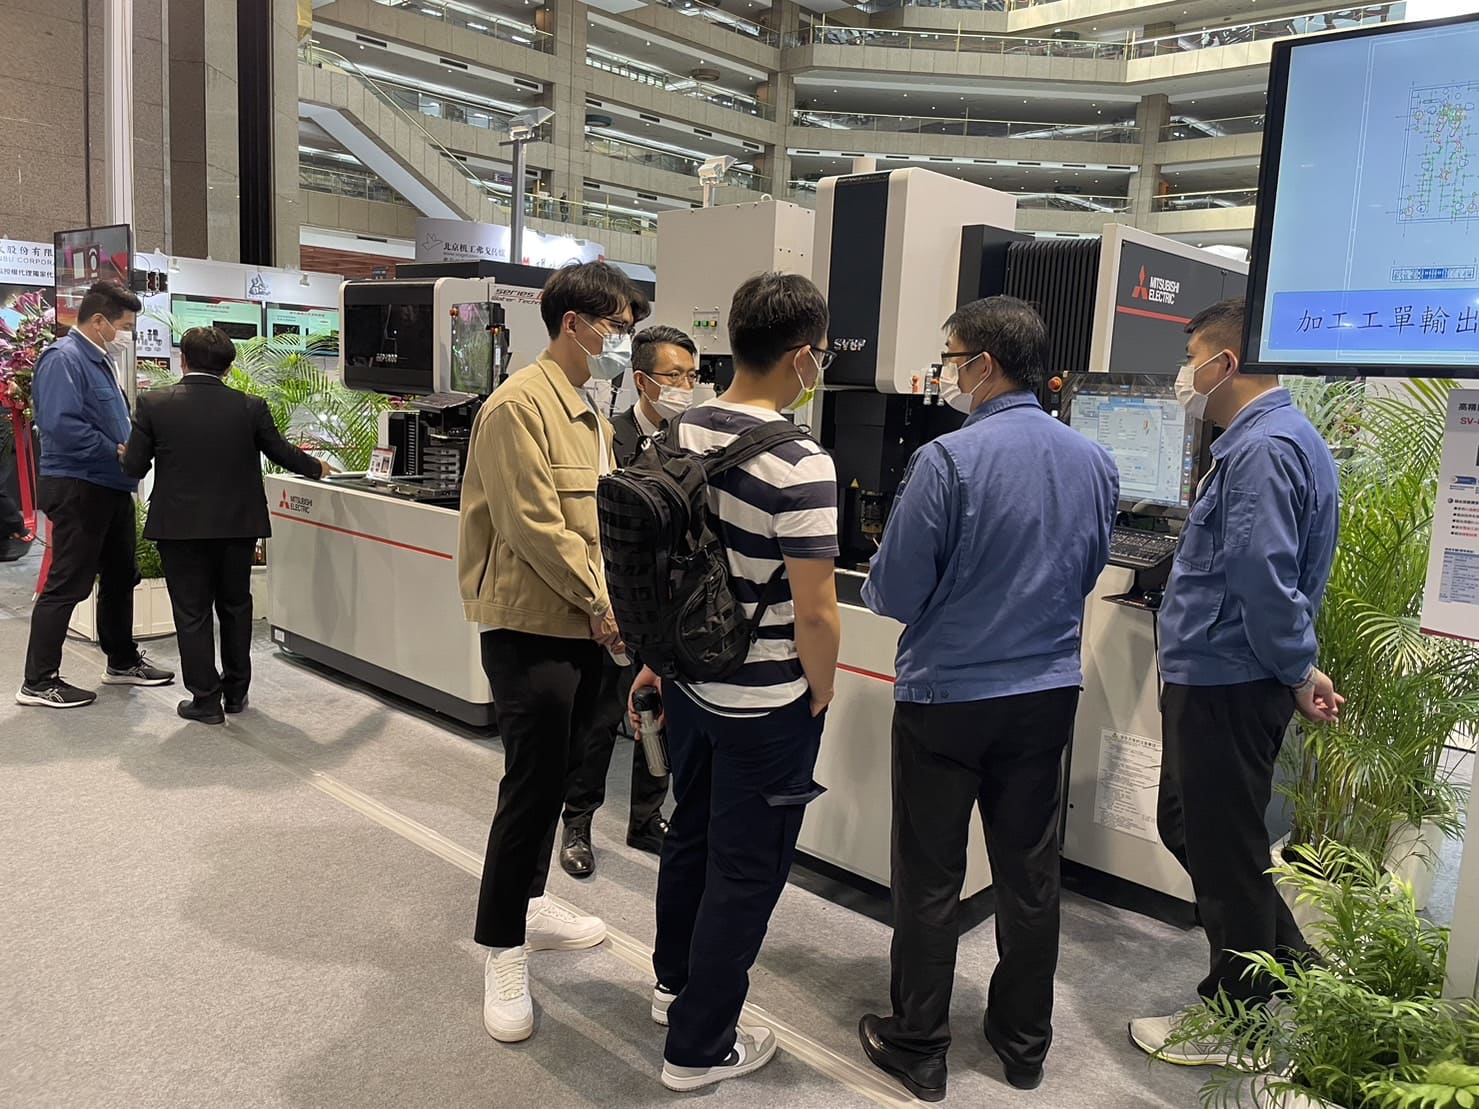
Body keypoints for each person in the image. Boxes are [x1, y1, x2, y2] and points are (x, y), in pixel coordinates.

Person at [855, 296, 1119, 1100]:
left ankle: (918, 1044)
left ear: (984, 364)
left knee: (930, 875)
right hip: (1044, 695)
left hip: (947, 698)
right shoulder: (1094, 461)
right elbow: (1085, 571)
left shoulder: (945, 460)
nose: (946, 372)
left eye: (951, 357)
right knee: (1029, 874)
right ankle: (1022, 1043)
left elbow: (893, 591)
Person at [629, 272, 841, 1093]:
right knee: (746, 871)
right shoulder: (801, 462)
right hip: (766, 701)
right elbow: (816, 610)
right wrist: (819, 690)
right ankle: (698, 1046)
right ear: (802, 355)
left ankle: (671, 985)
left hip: (690, 681)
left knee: (690, 833)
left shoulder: (679, 429)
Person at [1130, 298, 1342, 1063]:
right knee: (1194, 828)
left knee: (1224, 853)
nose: (1184, 374)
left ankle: (1237, 1024)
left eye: (1190, 358)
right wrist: (1297, 665)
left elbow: (1261, 576)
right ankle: (1293, 965)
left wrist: (1294, 666)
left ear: (1224, 362)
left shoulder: (1262, 448)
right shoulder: (1269, 440)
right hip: (1222, 672)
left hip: (1230, 677)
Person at [459, 260, 649, 1045]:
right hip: (533, 625)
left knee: (568, 771)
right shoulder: (517, 406)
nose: (623, 339)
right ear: (573, 322)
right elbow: (535, 526)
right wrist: (603, 606)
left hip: (585, 625)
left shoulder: (588, 410)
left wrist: (615, 606)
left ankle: (531, 903)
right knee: (530, 785)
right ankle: (501, 946)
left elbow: (598, 524)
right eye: (617, 325)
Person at [119, 326, 332, 725]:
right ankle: (236, 693)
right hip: (238, 525)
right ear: (230, 368)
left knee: (192, 612)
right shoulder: (250, 406)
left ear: (182, 360)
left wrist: (124, 454)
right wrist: (317, 468)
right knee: (235, 606)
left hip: (178, 527)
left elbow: (134, 467)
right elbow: (282, 452)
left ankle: (205, 699)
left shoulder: (154, 403)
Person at [558, 325, 697, 879]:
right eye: (674, 375)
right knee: (599, 721)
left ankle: (645, 819)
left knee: (656, 717)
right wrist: (601, 603)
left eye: (692, 375)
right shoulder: (605, 436)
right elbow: (586, 525)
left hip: (669, 607)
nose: (685, 386)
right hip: (614, 605)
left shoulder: (693, 439)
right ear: (642, 380)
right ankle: (577, 823)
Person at [17, 282, 175, 709]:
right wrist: (115, 450)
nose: (127, 335)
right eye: (125, 326)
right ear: (100, 320)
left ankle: (121, 661)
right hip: (79, 485)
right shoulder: (63, 359)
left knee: (122, 575)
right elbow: (60, 425)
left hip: (111, 486)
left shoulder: (100, 361)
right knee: (68, 581)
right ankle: (38, 681)